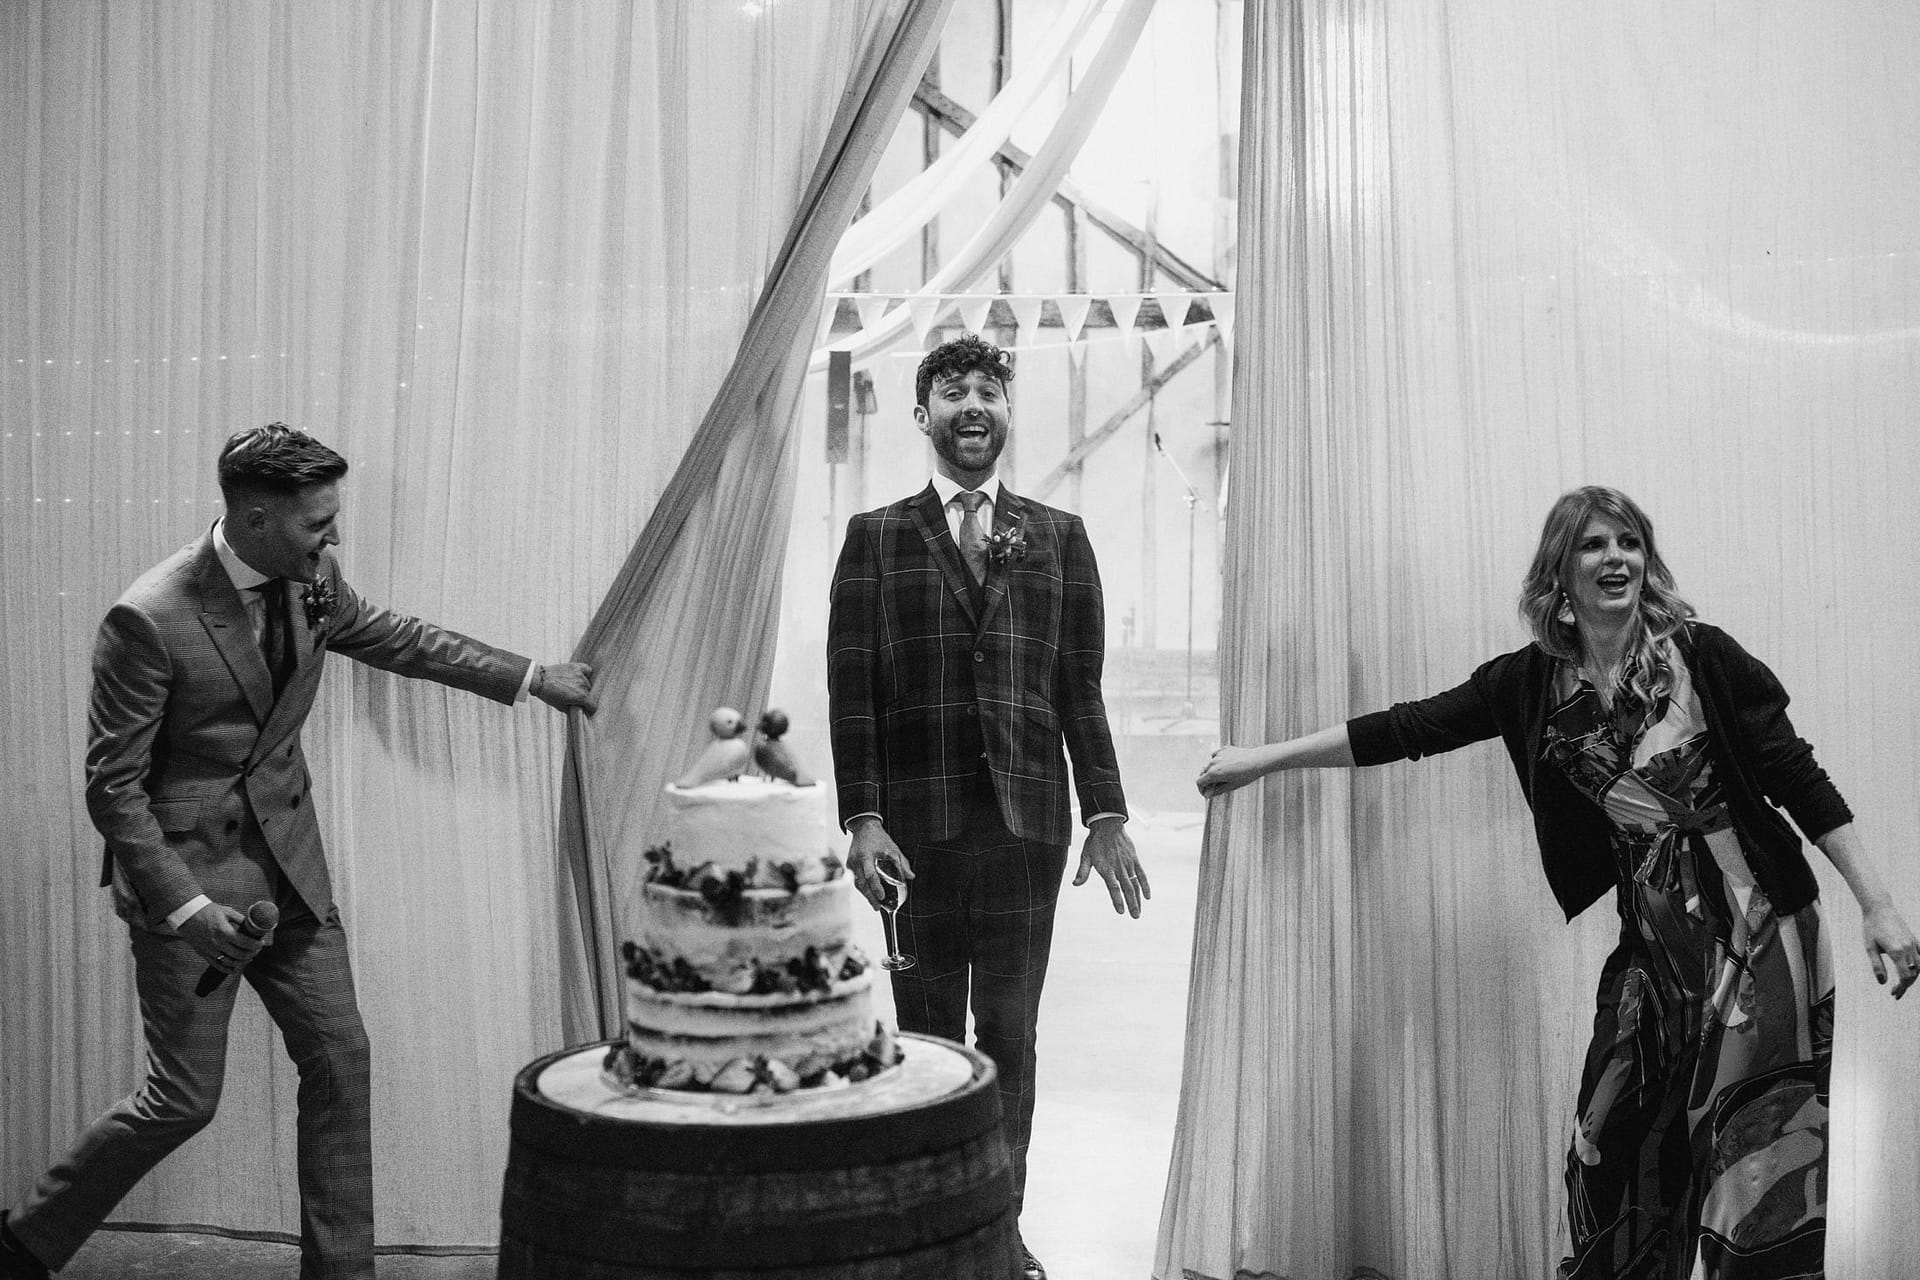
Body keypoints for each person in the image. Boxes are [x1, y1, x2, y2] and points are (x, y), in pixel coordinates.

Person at [1197, 485, 1918, 1279]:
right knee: (1606, 1147)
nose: (1616, 558)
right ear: (1560, 573)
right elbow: (1408, 728)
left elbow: (1797, 777)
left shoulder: (1704, 657)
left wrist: (1877, 905)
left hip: (1763, 935)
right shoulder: (1532, 684)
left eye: (1629, 542)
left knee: (1753, 1163)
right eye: (1594, 544)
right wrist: (1262, 761)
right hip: (1656, 951)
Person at [0, 424, 596, 1280]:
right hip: (193, 890)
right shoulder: (150, 616)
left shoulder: (312, 580)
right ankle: (25, 1241)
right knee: (182, 1100)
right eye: (318, 522)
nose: (334, 537)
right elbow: (113, 788)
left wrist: (534, 677)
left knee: (342, 1061)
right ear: (255, 517)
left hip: (295, 877)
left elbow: (400, 637)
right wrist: (188, 909)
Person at [827, 333, 1149, 1280]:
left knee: (1011, 1036)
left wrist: (1106, 811)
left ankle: (998, 1234)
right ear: (922, 415)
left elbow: (1079, 687)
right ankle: (931, 1236)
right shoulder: (875, 537)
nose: (974, 405)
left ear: (1007, 414)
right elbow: (853, 691)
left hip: (1025, 831)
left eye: (989, 392)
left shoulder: (1059, 536)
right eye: (953, 391)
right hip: (914, 839)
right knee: (926, 1042)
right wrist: (863, 819)